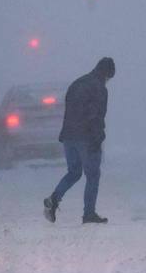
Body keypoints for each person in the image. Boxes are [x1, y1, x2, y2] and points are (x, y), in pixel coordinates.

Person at [44, 56, 115, 225]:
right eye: (109, 78)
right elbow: (95, 116)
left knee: (74, 172)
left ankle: (54, 199)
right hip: (87, 137)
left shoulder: (77, 83)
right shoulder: (99, 88)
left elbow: (69, 110)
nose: (108, 81)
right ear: (106, 74)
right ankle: (89, 214)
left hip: (69, 136)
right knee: (93, 175)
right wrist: (97, 138)